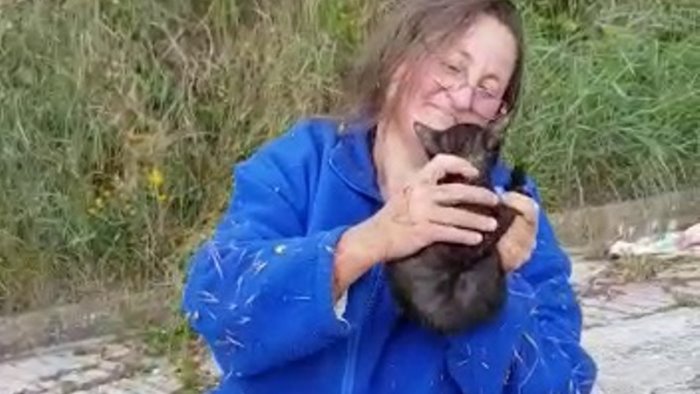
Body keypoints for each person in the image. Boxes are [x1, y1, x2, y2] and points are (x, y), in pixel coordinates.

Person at [181, 0, 598, 392]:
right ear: (399, 59)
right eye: (452, 66)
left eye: (488, 89)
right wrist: (367, 243)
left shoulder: (509, 214)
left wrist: (493, 279)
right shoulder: (300, 165)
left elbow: (564, 381)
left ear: (499, 114)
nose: (464, 98)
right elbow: (219, 311)